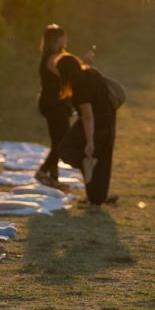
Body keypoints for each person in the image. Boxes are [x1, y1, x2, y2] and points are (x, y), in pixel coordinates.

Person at [58, 53, 118, 206]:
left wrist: (89, 141)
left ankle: (84, 161)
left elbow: (87, 116)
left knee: (66, 149)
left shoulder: (79, 86)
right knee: (102, 160)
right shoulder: (91, 73)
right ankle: (96, 198)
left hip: (96, 124)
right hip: (109, 120)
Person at [35, 24, 83, 190]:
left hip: (56, 103)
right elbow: (67, 76)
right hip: (53, 104)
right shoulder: (52, 58)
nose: (66, 39)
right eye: (64, 36)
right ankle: (43, 171)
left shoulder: (54, 56)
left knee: (57, 140)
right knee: (63, 140)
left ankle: (53, 178)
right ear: (57, 39)